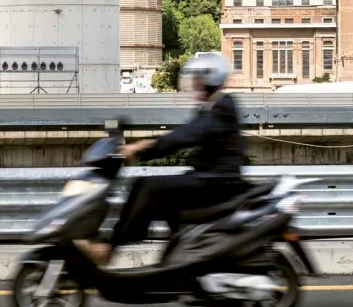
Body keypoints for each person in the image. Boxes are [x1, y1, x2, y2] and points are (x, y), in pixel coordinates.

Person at [75, 51, 248, 265]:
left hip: (218, 183)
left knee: (147, 187)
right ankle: (178, 260)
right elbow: (187, 134)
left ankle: (109, 249)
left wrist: (144, 148)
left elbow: (187, 135)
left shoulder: (222, 107)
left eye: (198, 80)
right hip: (210, 179)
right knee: (164, 198)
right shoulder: (212, 107)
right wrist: (144, 150)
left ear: (210, 79)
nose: (194, 85)